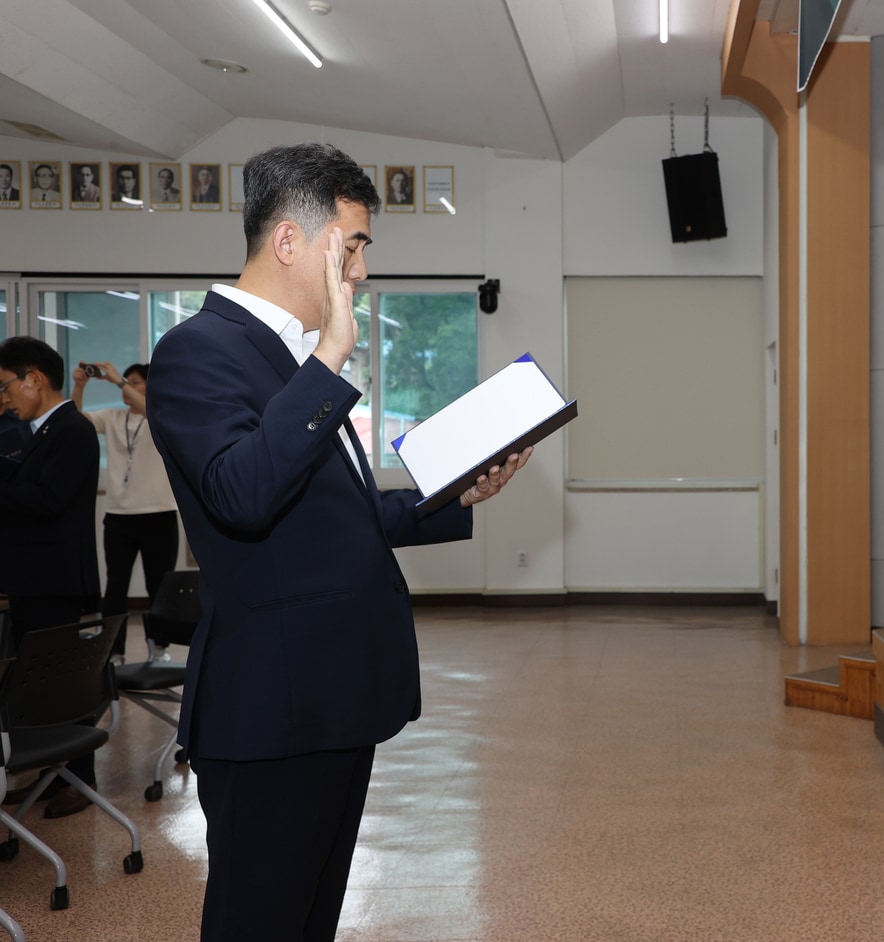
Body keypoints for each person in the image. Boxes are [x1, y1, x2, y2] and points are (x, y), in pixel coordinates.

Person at [146, 141, 531, 942]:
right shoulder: (198, 352)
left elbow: (340, 515)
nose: (358, 270)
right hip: (270, 712)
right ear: (290, 242)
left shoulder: (291, 362)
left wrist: (454, 492)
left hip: (332, 699)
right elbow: (242, 496)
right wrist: (329, 359)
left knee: (310, 917)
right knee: (261, 921)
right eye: (350, 246)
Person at [0, 337, 102, 819]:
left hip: (55, 580)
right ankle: (48, 772)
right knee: (35, 685)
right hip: (33, 579)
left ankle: (80, 779)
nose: (5, 398)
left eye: (6, 387)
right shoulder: (42, 431)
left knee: (62, 683)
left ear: (34, 379)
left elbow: (48, 500)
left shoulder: (72, 429)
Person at [71, 361, 179, 661]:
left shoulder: (158, 414)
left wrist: (118, 380)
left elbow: (148, 408)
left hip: (159, 513)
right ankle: (114, 652)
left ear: (149, 386)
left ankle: (159, 647)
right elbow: (77, 422)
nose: (127, 387)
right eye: (127, 382)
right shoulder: (113, 417)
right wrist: (80, 386)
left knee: (159, 586)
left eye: (136, 382)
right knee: (116, 587)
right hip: (119, 517)